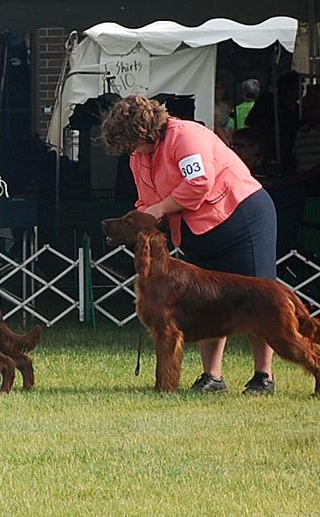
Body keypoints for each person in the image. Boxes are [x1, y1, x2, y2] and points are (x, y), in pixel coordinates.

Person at [101, 95, 279, 395]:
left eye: (132, 143)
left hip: (242, 215)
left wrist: (160, 209)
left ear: (144, 132)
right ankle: (212, 376)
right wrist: (143, 221)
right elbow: (147, 201)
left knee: (257, 296)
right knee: (206, 301)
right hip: (197, 228)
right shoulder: (138, 158)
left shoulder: (185, 136)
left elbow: (198, 182)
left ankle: (264, 376)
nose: (131, 151)